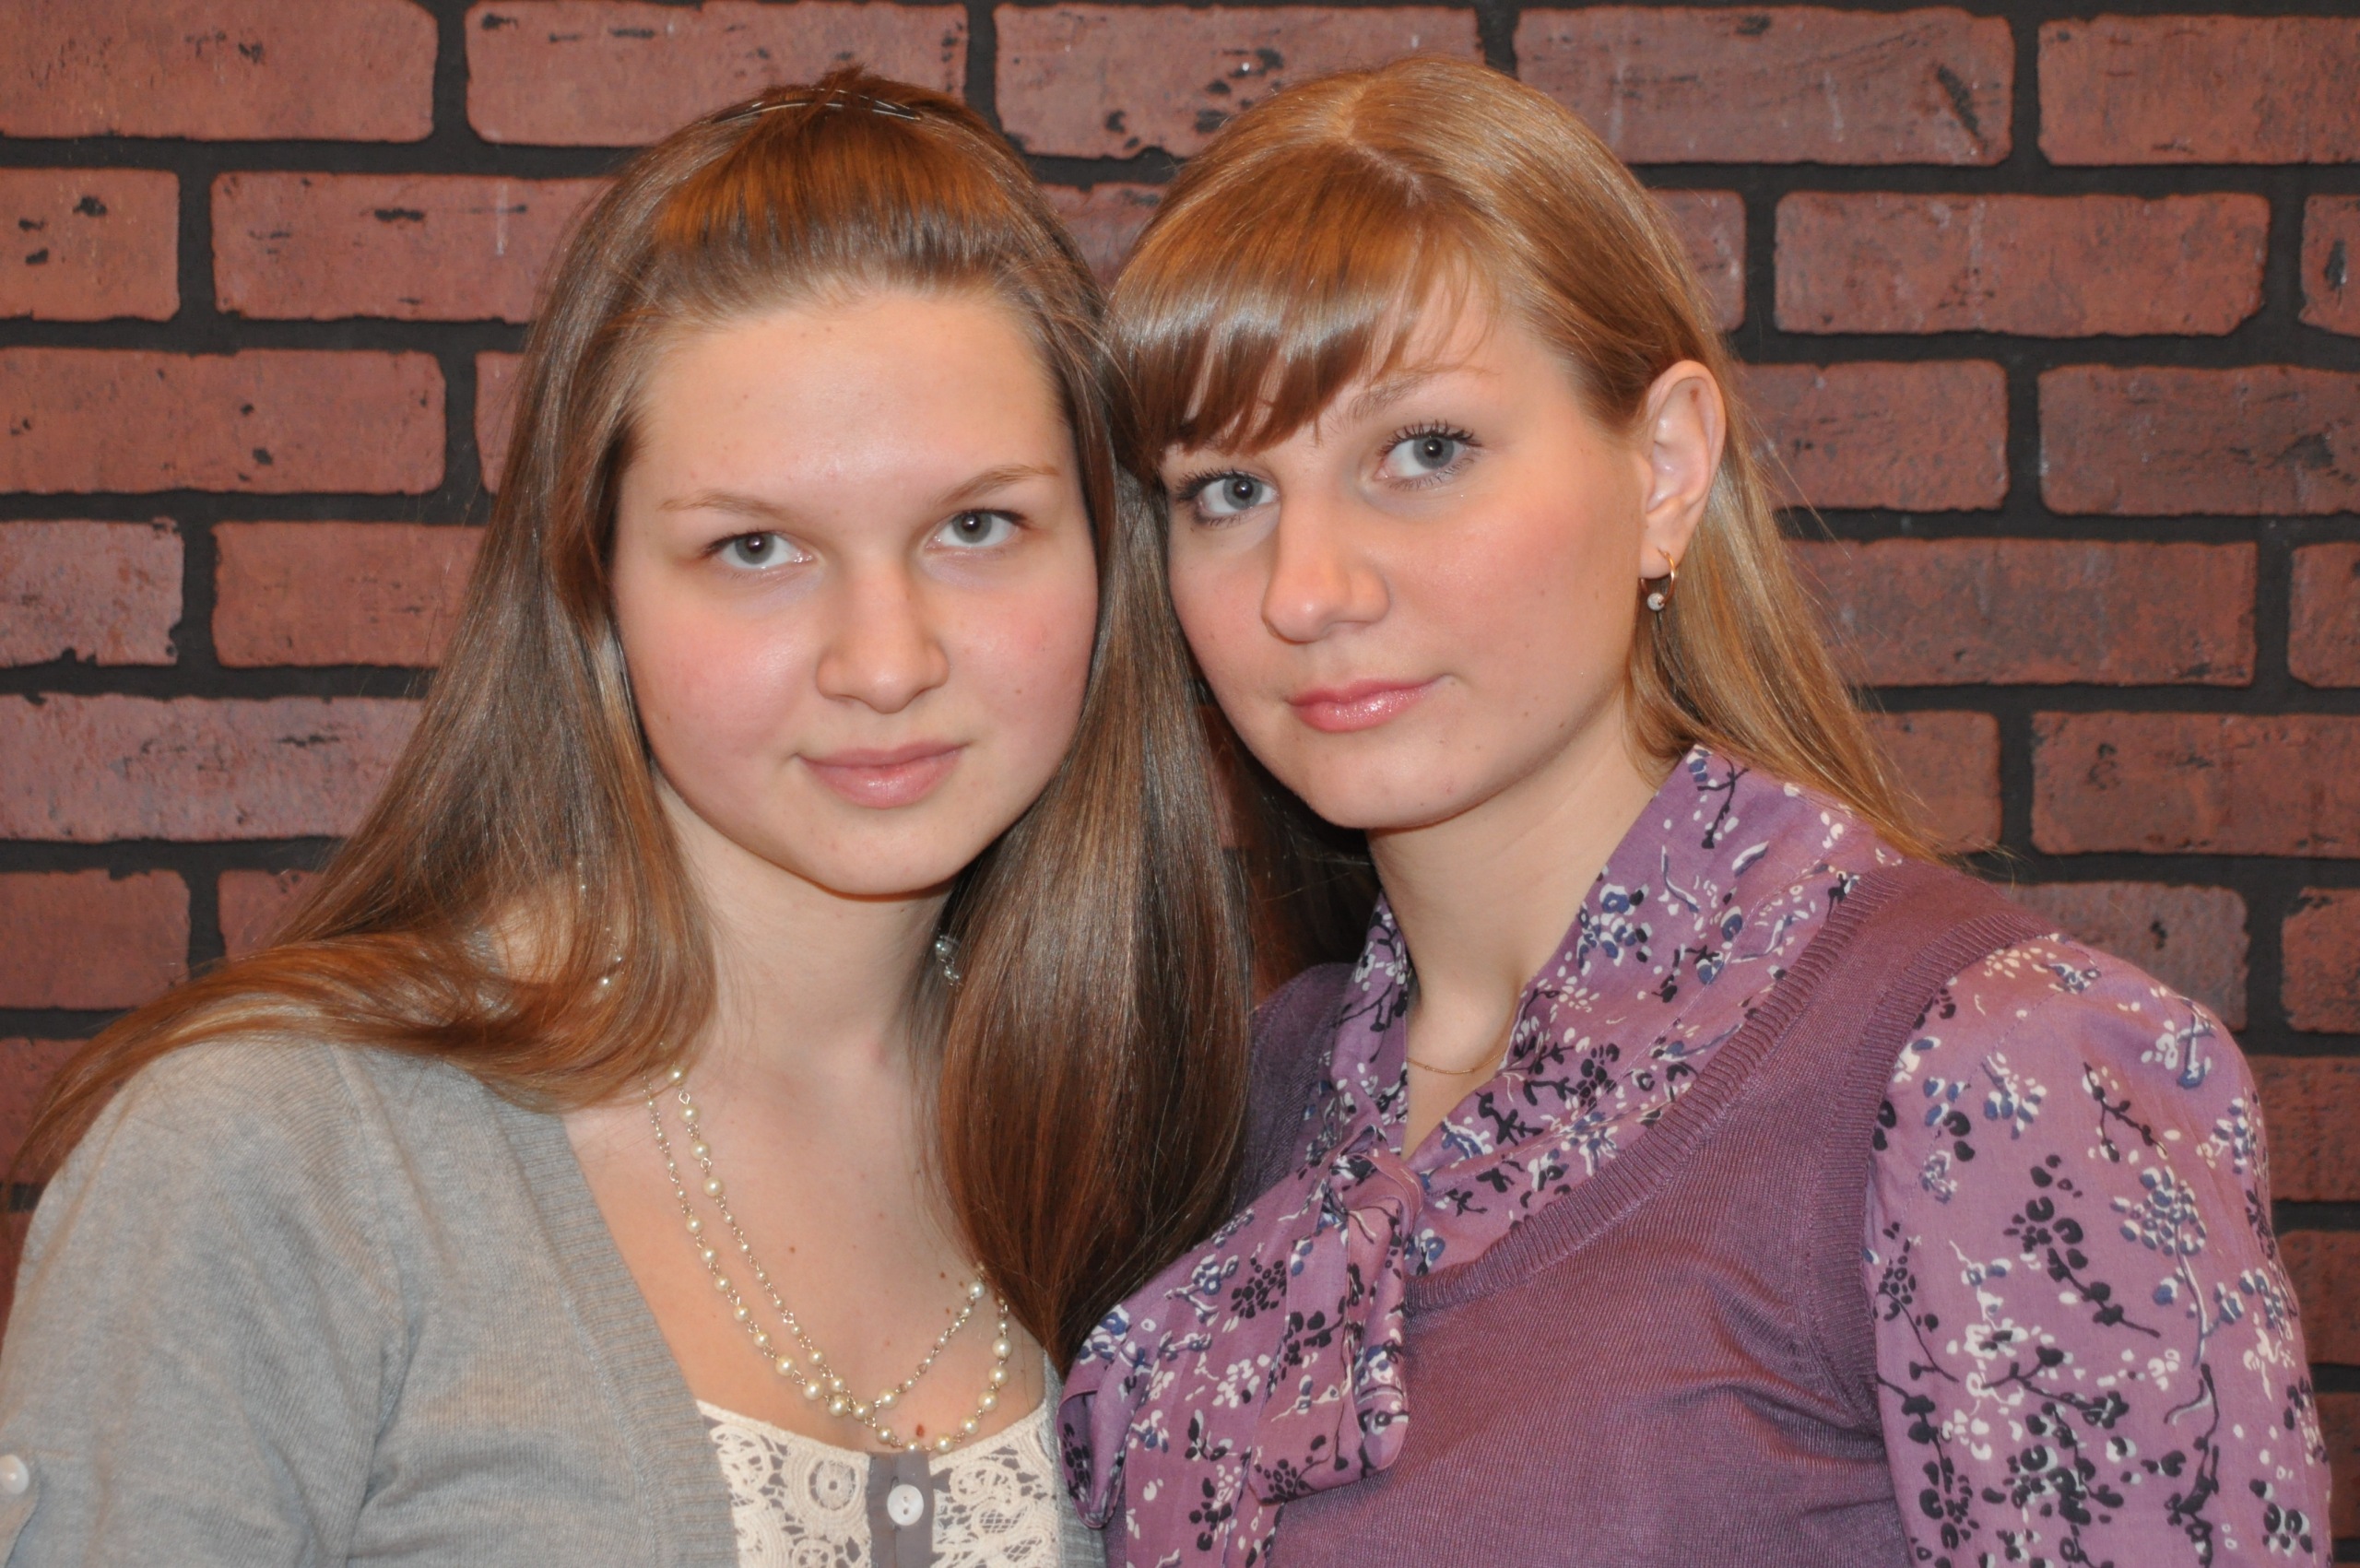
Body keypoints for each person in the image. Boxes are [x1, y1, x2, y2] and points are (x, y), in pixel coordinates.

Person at [1061, 56, 2329, 1567]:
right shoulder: (1282, 1084)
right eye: (1228, 491)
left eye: (1425, 451)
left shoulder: (1990, 1066)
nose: (1307, 589)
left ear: (1664, 467)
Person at [0, 70, 1249, 1568]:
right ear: (598, 590)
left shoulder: (1155, 1147)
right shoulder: (275, 1154)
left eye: (977, 526)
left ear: (1106, 554)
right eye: (756, 547)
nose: (885, 661)